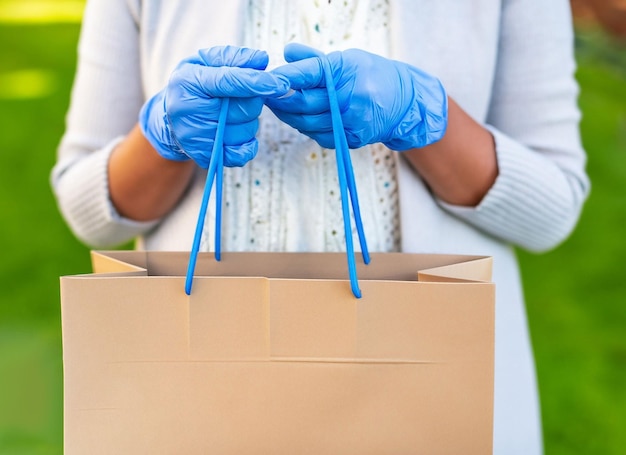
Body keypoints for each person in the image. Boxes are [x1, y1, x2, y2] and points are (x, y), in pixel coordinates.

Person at [51, 1, 590, 453]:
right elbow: (86, 208)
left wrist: (426, 118)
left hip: (423, 394)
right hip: (198, 389)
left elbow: (552, 210)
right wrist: (164, 132)